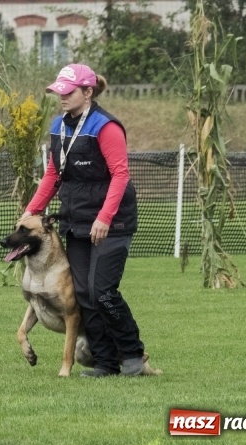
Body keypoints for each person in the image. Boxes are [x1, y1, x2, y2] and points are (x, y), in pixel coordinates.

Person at [20, 63, 146, 377]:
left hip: (112, 223)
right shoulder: (58, 126)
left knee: (102, 291)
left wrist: (104, 217)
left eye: (68, 91)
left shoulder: (106, 126)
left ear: (87, 92)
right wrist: (31, 211)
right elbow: (53, 174)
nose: (62, 97)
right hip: (76, 221)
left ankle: (133, 354)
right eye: (58, 92)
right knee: (84, 294)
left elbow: (120, 175)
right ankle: (105, 363)